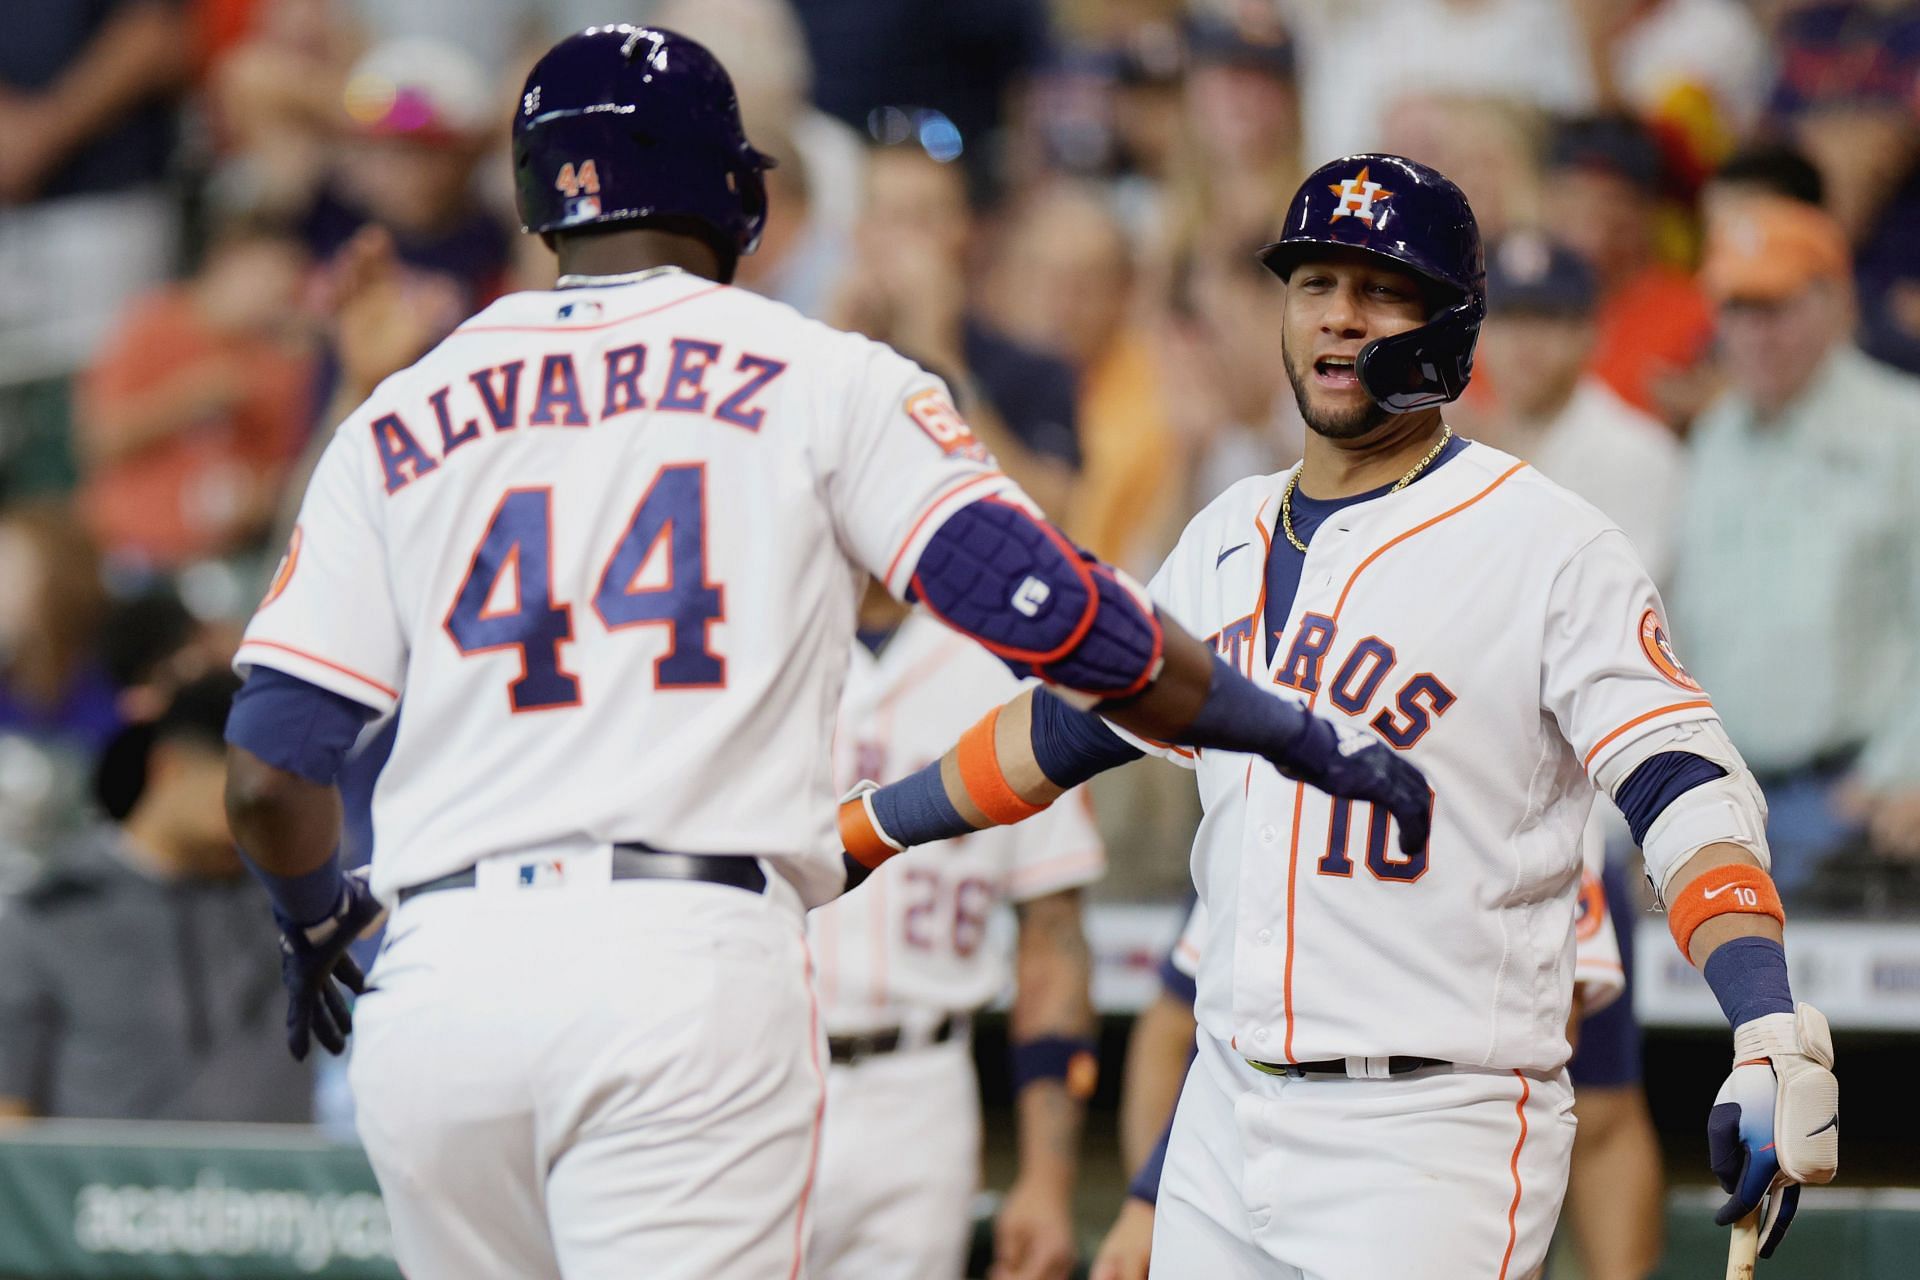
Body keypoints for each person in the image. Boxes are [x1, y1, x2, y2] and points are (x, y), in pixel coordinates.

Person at [219, 28, 1431, 1279]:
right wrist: (1282, 724)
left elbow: (267, 767)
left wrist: (316, 921)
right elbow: (1052, 612)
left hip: (440, 988)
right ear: (733, 190)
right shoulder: (815, 372)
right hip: (678, 966)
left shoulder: (404, 407)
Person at [839, 154, 1839, 1276]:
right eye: (1314, 282)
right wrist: (867, 827)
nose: (1338, 316)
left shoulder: (1549, 543)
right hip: (1223, 1104)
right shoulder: (1223, 533)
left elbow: (1680, 779)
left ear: (1450, 326)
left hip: (1427, 1131)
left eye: (1380, 289)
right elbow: (1068, 726)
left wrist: (1763, 1018)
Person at [809, 582, 1104, 1280]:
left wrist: (1046, 1178)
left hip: (920, 1091)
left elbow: (1052, 936)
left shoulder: (1000, 669)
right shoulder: (746, 647)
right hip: (754, 1070)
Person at [1672, 196, 1920, 886]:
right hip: (1731, 803)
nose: (1753, 332)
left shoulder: (1906, 430)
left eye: (1774, 307)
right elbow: (1689, 629)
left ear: (1838, 304)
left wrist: (1908, 771)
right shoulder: (1717, 436)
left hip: (1862, 801)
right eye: (1736, 308)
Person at [0, 673, 310, 1123]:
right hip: (100, 1190)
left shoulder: (294, 914)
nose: (270, 813)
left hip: (279, 1191)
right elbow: (10, 1109)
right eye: (253, 791)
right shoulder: (52, 915)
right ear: (170, 768)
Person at [1472, 231, 1684, 583]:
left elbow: (1617, 606)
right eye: (1508, 318)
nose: (1524, 342)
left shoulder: (1637, 454)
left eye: (1546, 318)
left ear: (1591, 334)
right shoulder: (1464, 448)